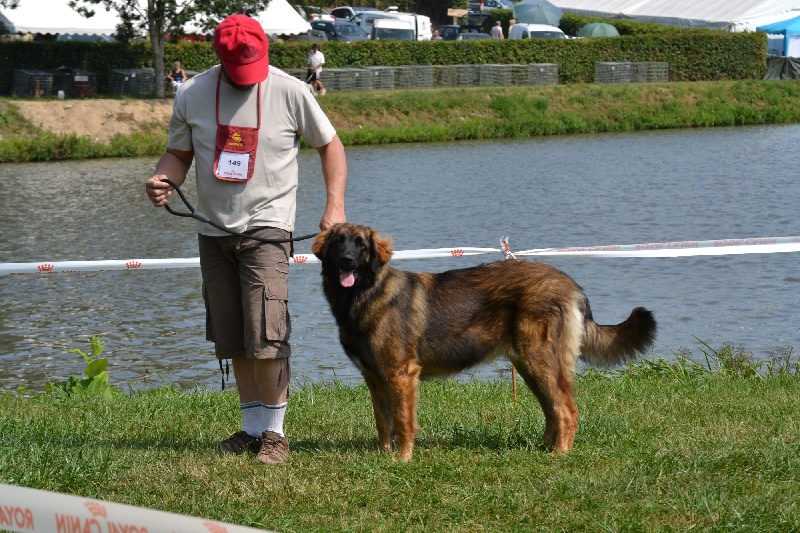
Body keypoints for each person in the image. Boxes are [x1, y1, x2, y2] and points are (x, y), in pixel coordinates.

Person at [145, 14, 347, 465]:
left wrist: (334, 206)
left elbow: (330, 145)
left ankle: (276, 434)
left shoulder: (291, 91)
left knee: (267, 332)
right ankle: (252, 428)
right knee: (234, 334)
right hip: (212, 228)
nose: (246, 77)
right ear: (219, 57)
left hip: (268, 227)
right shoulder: (191, 93)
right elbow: (177, 154)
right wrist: (163, 179)